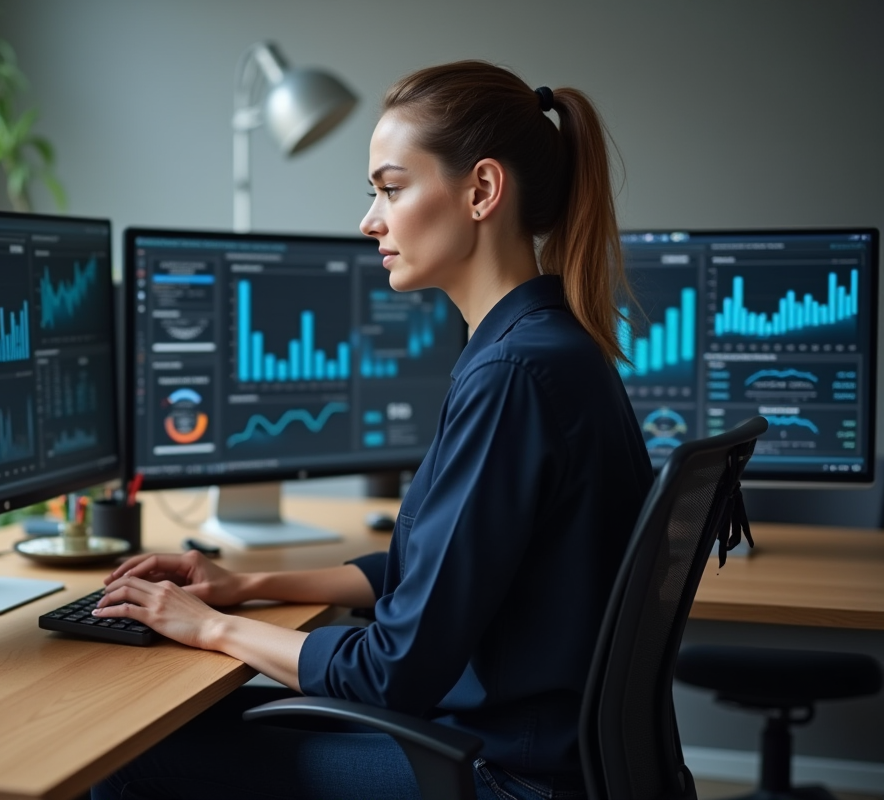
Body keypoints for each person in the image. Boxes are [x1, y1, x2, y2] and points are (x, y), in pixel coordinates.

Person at [90, 60, 652, 800]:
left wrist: (207, 628)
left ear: (481, 191)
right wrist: (246, 585)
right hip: (532, 751)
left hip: (502, 775)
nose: (369, 221)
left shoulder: (512, 375)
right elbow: (432, 573)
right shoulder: (544, 347)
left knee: (132, 755)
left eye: (391, 189)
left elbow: (389, 672)